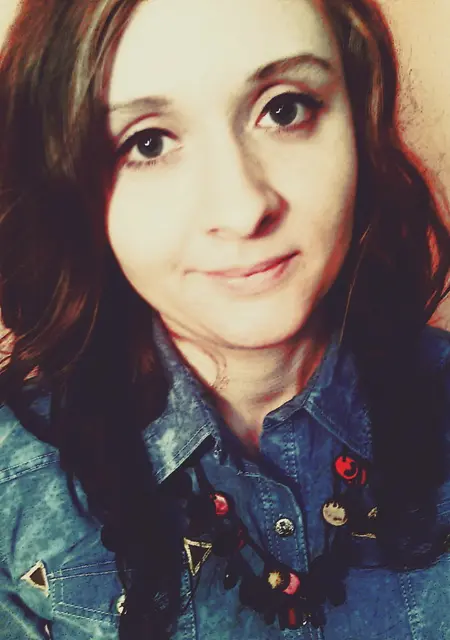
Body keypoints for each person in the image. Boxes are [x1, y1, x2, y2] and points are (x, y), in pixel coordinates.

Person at [0, 0, 449, 638]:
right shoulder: (13, 490)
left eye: (284, 109)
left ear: (359, 119)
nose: (243, 209)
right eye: (148, 143)